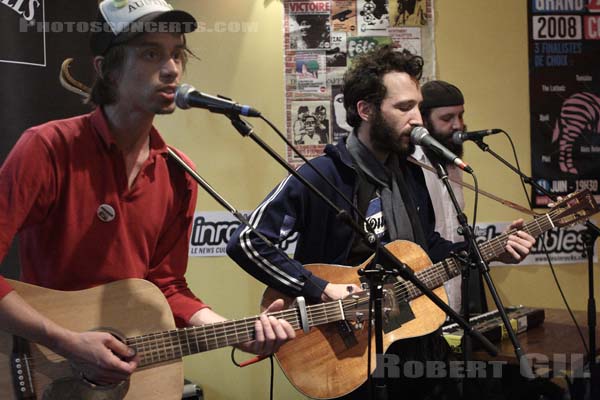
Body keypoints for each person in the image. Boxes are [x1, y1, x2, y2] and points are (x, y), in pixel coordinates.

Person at [0, 0, 293, 388]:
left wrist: (235, 330)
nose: (172, 69)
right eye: (151, 53)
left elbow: (166, 285)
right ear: (106, 68)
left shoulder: (177, 172)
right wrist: (67, 342)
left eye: (177, 54)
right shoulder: (47, 148)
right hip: (39, 368)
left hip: (120, 379)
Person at [227, 45, 535, 399]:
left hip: (410, 347)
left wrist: (492, 251)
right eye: (404, 107)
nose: (417, 118)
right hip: (344, 353)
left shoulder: (410, 173)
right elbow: (247, 242)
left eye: (418, 106)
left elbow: (427, 251)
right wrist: (320, 288)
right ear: (366, 110)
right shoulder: (323, 175)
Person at [413, 80, 486, 314]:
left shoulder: (455, 166)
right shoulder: (409, 166)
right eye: (447, 119)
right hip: (420, 301)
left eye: (461, 116)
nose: (459, 126)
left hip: (454, 297)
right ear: (423, 122)